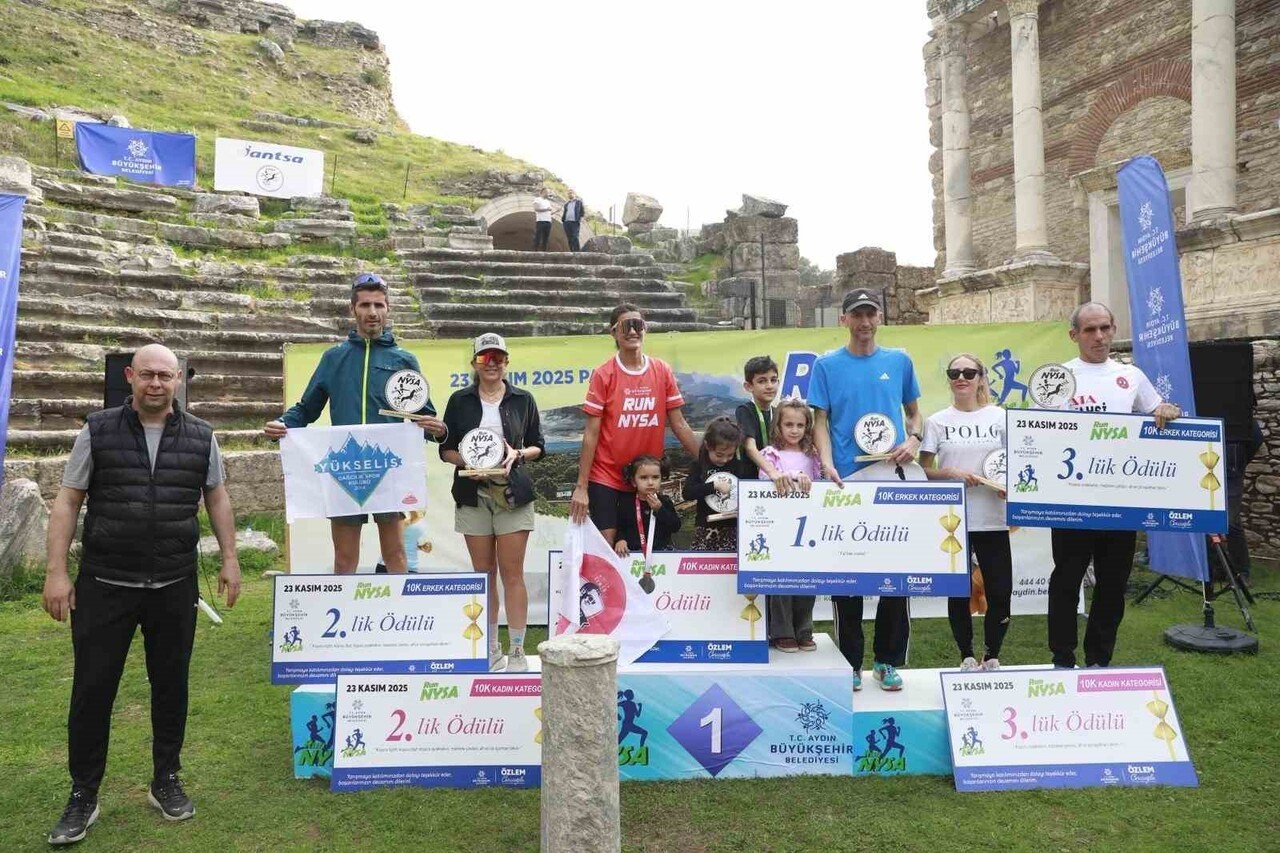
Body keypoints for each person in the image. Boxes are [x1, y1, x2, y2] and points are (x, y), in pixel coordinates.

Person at [41, 344, 242, 846]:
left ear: (179, 381)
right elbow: (68, 500)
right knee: (92, 692)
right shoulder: (97, 429)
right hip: (105, 584)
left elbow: (216, 495)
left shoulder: (201, 435)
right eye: (147, 375)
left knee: (171, 688)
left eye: (166, 376)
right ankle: (83, 794)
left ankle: (165, 779)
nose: (156, 384)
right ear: (130, 377)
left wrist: (231, 557)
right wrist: (56, 572)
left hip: (174, 586)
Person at [263, 273, 447, 574]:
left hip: (388, 468)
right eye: (364, 305)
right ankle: (346, 616)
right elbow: (307, 409)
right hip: (346, 470)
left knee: (396, 555)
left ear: (388, 309)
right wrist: (282, 423)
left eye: (378, 305)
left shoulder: (404, 360)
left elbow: (423, 412)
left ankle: (402, 617)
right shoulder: (334, 358)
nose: (372, 312)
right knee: (345, 559)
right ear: (353, 310)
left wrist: (438, 430)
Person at [1048, 302, 1181, 669]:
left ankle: (1098, 660)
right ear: (1073, 335)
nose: (1099, 336)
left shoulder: (1132, 376)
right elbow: (1038, 433)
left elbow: (1159, 411)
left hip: (1120, 502)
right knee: (1066, 579)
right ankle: (1062, 657)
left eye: (1105, 327)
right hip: (1072, 500)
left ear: (1114, 327)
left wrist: (1166, 411)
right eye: (1089, 330)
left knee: (1112, 584)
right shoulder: (1058, 377)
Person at [810, 289, 923, 692]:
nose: (864, 322)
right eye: (856, 314)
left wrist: (914, 441)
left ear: (879, 318)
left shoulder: (899, 361)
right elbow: (820, 420)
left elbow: (914, 414)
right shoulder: (827, 366)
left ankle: (888, 661)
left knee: (897, 574)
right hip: (846, 481)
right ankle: (851, 663)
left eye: (870, 313)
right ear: (844, 320)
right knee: (849, 577)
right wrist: (826, 463)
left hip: (891, 477)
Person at [440, 332, 545, 673]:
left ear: (506, 362)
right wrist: (467, 463)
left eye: (498, 358)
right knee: (484, 575)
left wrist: (518, 453)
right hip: (473, 495)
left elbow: (538, 445)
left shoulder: (523, 399)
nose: (492, 364)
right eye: (486, 358)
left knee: (513, 574)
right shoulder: (459, 401)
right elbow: (446, 450)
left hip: (513, 494)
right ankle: (490, 648)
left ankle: (517, 650)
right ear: (475, 363)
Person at [569, 304, 701, 545]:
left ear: (645, 329)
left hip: (645, 477)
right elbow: (591, 434)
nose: (632, 331)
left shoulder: (661, 370)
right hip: (606, 476)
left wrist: (707, 465)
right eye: (625, 326)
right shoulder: (603, 374)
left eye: (637, 325)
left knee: (651, 543)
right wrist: (581, 487)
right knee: (609, 546)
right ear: (613, 332)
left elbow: (679, 424)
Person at [919, 354, 1012, 672]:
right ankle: (966, 656)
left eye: (969, 372)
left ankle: (993, 655)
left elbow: (1016, 465)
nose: (961, 377)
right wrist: (951, 473)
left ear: (981, 378)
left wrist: (1008, 485)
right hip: (952, 521)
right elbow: (923, 471)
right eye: (954, 372)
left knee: (999, 589)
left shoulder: (1000, 417)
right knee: (958, 591)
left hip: (993, 517)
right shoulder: (936, 421)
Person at [761, 398, 822, 652]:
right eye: (788, 424)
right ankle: (782, 632)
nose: (794, 430)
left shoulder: (813, 455)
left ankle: (804, 630)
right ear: (778, 426)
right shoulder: (769, 454)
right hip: (779, 528)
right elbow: (764, 482)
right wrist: (790, 477)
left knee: (807, 581)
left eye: (800, 425)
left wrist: (810, 481)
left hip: (808, 529)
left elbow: (819, 484)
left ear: (807, 427)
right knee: (781, 582)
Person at [682, 417, 743, 552]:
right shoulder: (698, 466)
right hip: (705, 527)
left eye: (730, 455)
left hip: (732, 527)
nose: (724, 459)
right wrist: (713, 486)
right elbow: (687, 493)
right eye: (719, 455)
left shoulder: (738, 466)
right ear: (708, 446)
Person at [735, 355, 789, 490]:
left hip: (777, 481)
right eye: (762, 381)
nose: (769, 386)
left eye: (773, 380)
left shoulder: (778, 413)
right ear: (748, 386)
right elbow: (750, 447)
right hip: (752, 483)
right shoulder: (745, 410)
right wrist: (771, 471)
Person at [613, 455, 681, 559]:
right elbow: (619, 526)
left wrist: (660, 510)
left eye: (655, 477)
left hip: (662, 556)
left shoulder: (664, 501)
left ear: (661, 478)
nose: (650, 482)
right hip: (633, 556)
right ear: (633, 482)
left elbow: (675, 526)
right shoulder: (626, 503)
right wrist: (620, 539)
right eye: (644, 478)